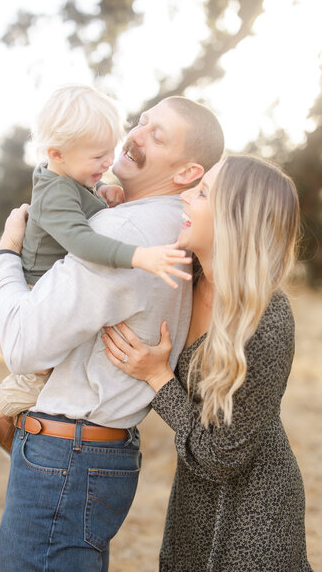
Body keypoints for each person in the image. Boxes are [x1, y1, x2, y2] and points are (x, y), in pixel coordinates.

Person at [0, 95, 223, 572]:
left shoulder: (123, 227)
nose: (136, 134)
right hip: (101, 452)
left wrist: (6, 255)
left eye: (157, 134)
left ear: (189, 172)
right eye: (143, 121)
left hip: (64, 456)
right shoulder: (179, 226)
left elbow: (23, 347)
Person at [0, 85, 195, 489]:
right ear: (56, 155)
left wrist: (105, 194)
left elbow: (88, 206)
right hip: (36, 287)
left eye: (108, 152)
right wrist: (139, 255)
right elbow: (82, 241)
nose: (108, 162)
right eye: (98, 158)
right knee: (36, 372)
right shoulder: (56, 191)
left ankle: (4, 418)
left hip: (55, 295)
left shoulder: (77, 182)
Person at [102, 155, 313, 572]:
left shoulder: (266, 320)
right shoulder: (185, 276)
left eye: (202, 193)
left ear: (234, 219)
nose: (184, 195)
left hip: (255, 513)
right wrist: (111, 200)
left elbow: (222, 456)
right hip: (192, 497)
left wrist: (159, 378)